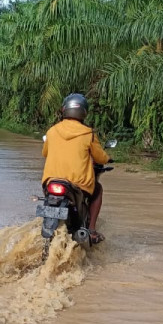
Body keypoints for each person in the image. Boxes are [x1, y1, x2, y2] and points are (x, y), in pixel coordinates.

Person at [42, 93, 109, 243]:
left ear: (64, 109)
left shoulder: (52, 131)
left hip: (51, 182)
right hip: (77, 184)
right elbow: (100, 157)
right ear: (84, 112)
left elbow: (45, 153)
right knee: (97, 190)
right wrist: (107, 158)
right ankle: (91, 230)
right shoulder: (88, 134)